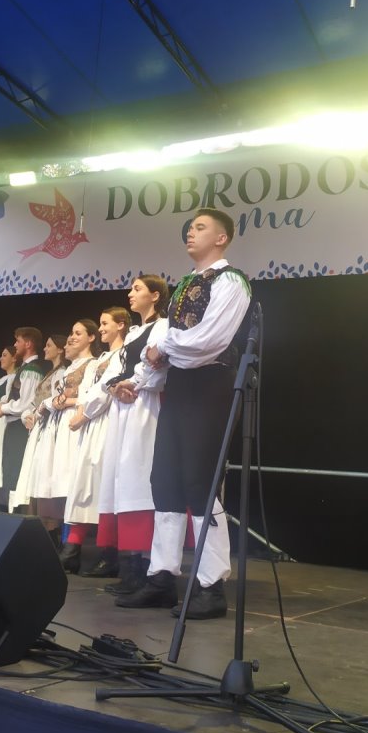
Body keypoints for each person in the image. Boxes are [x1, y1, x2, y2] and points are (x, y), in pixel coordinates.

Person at [116, 208, 251, 619]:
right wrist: (140, 379)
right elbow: (166, 347)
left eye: (200, 227)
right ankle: (162, 577)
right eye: (189, 227)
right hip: (180, 388)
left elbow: (208, 341)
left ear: (222, 238)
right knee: (166, 481)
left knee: (200, 483)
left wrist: (164, 349)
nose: (191, 233)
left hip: (210, 387)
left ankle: (210, 586)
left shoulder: (231, 281)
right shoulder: (185, 285)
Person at [94, 275, 169, 594]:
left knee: (140, 480)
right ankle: (131, 568)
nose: (130, 293)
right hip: (124, 409)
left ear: (155, 295)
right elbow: (115, 372)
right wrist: (115, 387)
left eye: (137, 289)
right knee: (122, 481)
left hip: (144, 408)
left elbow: (158, 369)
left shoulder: (163, 327)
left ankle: (149, 570)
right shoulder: (135, 332)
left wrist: (132, 384)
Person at [61, 306, 131, 575]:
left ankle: (110, 554)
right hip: (91, 423)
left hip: (106, 422)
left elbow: (106, 390)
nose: (100, 329)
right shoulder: (101, 358)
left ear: (120, 325)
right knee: (83, 485)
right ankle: (72, 550)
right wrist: (82, 409)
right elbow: (88, 390)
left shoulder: (123, 354)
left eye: (105, 324)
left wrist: (84, 413)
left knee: (102, 487)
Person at [32, 320, 99, 549]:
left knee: (71, 480)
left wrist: (65, 401)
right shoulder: (69, 369)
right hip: (58, 425)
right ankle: (54, 539)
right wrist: (49, 404)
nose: (71, 337)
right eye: (71, 333)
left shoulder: (93, 364)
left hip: (74, 423)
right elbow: (56, 398)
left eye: (78, 333)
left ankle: (71, 543)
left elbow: (92, 395)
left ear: (91, 337)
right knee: (55, 480)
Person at [0, 328, 44, 509]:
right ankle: (8, 508)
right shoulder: (25, 369)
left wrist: (2, 407)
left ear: (28, 344)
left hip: (19, 426)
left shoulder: (31, 370)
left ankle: (13, 510)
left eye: (18, 341)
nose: (15, 345)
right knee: (9, 468)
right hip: (12, 424)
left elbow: (26, 403)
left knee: (13, 469)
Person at [8, 334, 68, 535]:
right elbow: (34, 402)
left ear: (60, 349)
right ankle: (37, 527)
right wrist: (28, 415)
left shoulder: (61, 373)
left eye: (49, 345)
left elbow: (55, 400)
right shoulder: (51, 373)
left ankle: (51, 528)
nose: (45, 349)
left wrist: (37, 413)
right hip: (39, 426)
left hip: (50, 427)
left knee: (45, 475)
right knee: (35, 475)